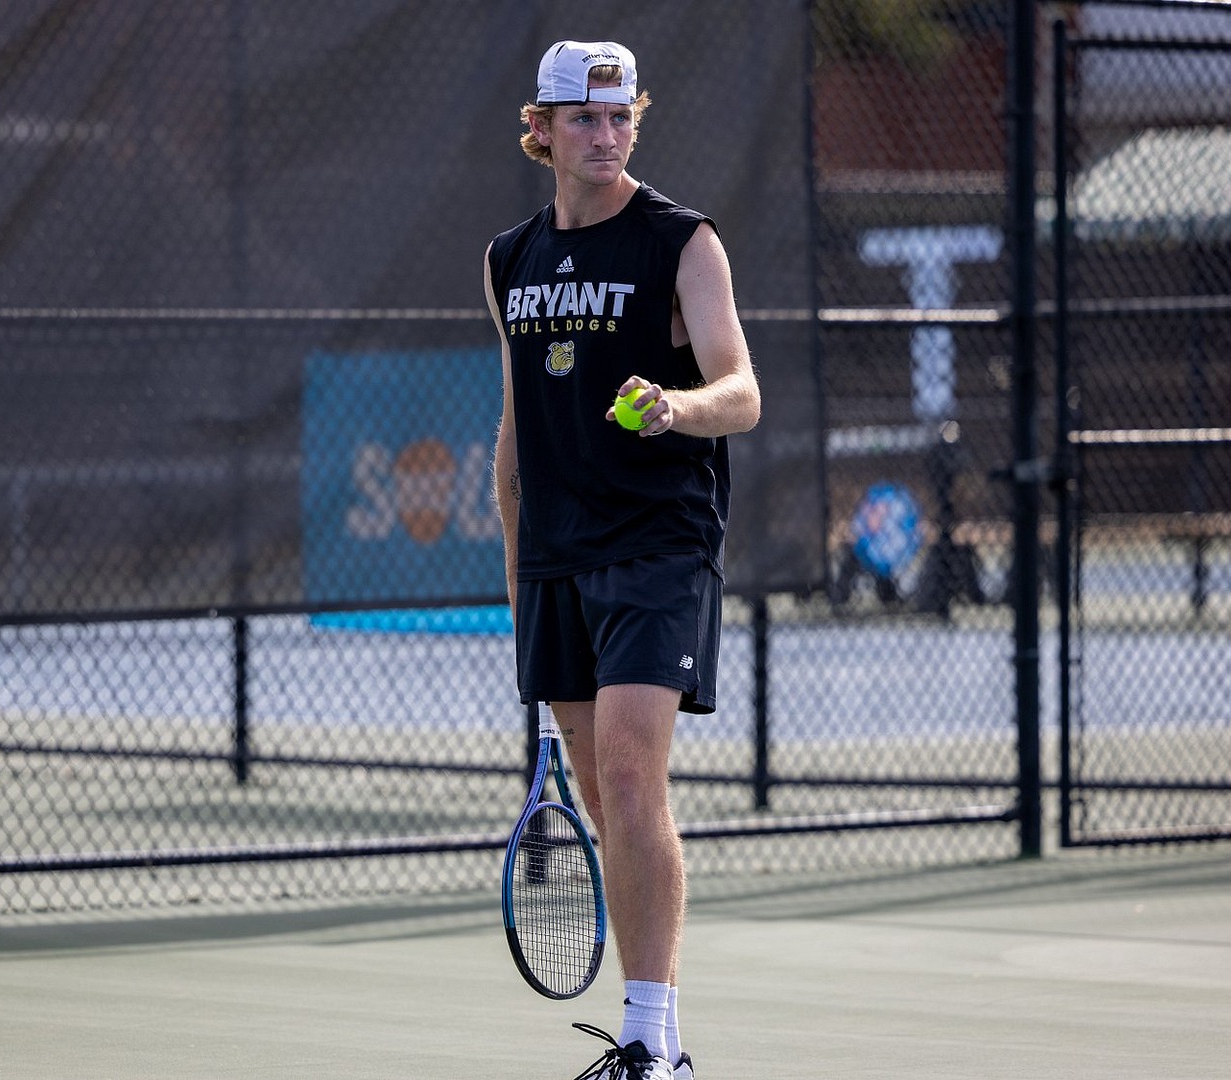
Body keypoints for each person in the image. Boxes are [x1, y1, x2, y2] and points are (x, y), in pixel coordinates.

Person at [484, 39, 761, 1080]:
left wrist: (676, 406)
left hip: (658, 541)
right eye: (584, 118)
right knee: (610, 798)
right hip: (555, 556)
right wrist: (519, 577)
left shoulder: (684, 243)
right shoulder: (509, 259)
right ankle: (654, 1035)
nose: (606, 136)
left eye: (620, 117)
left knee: (635, 773)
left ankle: (654, 1046)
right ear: (542, 128)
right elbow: (514, 433)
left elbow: (742, 390)